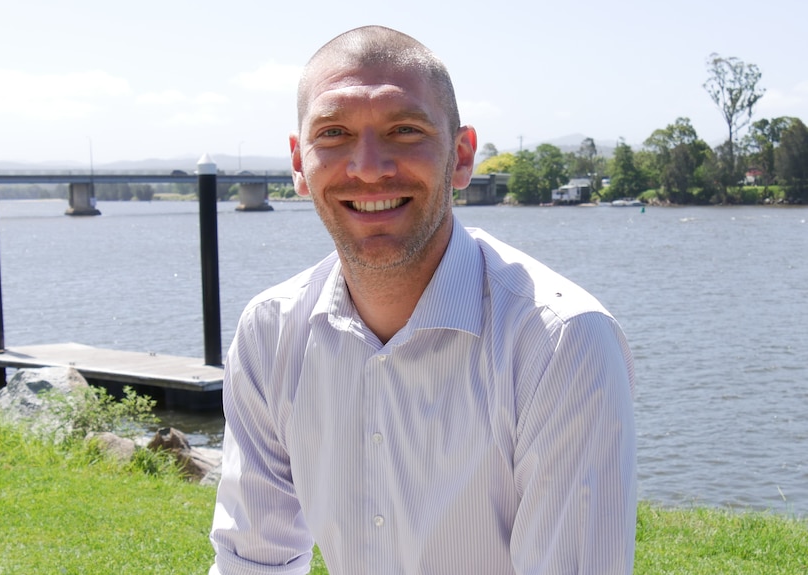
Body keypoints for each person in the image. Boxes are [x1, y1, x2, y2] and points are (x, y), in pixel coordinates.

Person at [209, 25, 636, 575]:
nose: (368, 166)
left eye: (405, 130)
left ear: (461, 157)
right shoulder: (271, 332)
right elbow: (253, 561)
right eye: (333, 132)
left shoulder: (560, 341)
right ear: (298, 162)